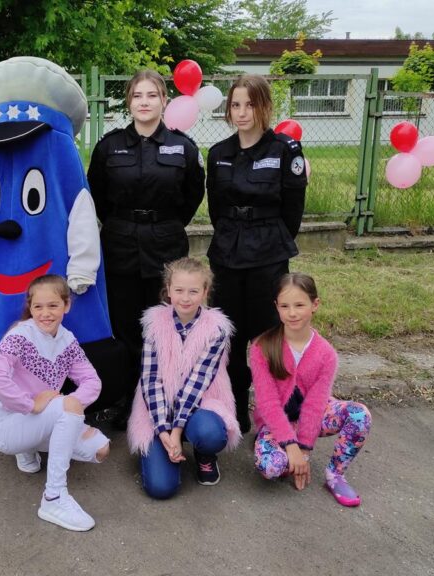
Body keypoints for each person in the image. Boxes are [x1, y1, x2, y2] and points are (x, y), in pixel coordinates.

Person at [87, 69, 205, 426]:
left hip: (165, 245)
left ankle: (162, 398)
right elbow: (97, 195)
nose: (144, 102)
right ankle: (126, 398)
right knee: (124, 326)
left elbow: (192, 196)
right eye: (137, 95)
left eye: (152, 95)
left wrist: (162, 224)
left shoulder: (183, 147)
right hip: (120, 244)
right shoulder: (109, 146)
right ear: (129, 101)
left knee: (165, 324)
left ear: (164, 100)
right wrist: (124, 223)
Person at [206, 74, 308, 433]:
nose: (242, 112)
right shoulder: (218, 153)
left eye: (250, 104)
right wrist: (233, 234)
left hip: (268, 253)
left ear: (264, 106)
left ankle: (271, 412)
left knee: (268, 336)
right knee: (229, 334)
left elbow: (293, 210)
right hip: (227, 253)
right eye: (235, 105)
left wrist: (270, 239)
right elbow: (216, 208)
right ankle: (234, 404)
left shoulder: (284, 150)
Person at [0, 275, 111, 532]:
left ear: (66, 305)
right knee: (67, 407)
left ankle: (28, 449)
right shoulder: (20, 335)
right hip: (5, 425)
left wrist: (72, 409)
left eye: (53, 305)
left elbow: (92, 382)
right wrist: (29, 404)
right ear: (30, 308)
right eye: (38, 306)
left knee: (100, 449)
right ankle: (53, 497)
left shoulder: (67, 340)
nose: (45, 313)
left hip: (39, 420)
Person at [250, 273, 372, 507]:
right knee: (271, 467)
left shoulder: (326, 354)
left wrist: (304, 451)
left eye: (299, 305)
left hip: (314, 418)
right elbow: (267, 404)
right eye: (285, 306)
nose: (292, 313)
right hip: (276, 423)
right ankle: (283, 452)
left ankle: (335, 475)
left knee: (359, 415)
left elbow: (315, 405)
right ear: (276, 306)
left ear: (315, 305)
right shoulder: (261, 348)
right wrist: (290, 444)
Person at [126, 257, 241, 499]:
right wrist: (164, 432)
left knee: (210, 434)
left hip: (200, 404)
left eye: (193, 291)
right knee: (160, 488)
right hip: (159, 408)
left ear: (205, 292)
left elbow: (197, 383)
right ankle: (164, 450)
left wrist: (176, 432)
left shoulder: (217, 330)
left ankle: (204, 453)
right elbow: (151, 380)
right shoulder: (154, 325)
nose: (185, 298)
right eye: (179, 290)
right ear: (168, 290)